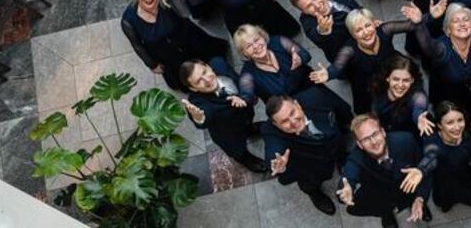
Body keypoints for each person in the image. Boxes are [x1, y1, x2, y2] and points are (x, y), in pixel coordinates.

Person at [121, 0, 228, 90]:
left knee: (212, 66)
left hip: (191, 41)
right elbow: (137, 45)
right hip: (169, 57)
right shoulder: (128, 20)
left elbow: (185, 14)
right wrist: (152, 64)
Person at [402, 0, 471, 109]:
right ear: (448, 29)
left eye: (466, 20)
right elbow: (428, 47)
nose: (462, 24)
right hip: (449, 99)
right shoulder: (442, 47)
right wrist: (419, 24)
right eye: (456, 21)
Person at [262, 87, 354, 216]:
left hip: (335, 142)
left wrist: (349, 121)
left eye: (292, 113)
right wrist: (277, 163)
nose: (293, 122)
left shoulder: (316, 95)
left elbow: (340, 106)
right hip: (309, 166)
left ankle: (342, 161)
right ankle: (315, 194)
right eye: (284, 121)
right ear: (276, 125)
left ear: (297, 104)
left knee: (341, 153)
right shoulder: (270, 130)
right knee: (310, 183)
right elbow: (273, 148)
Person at [309, 8, 414, 114]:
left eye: (368, 25)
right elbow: (337, 66)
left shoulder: (386, 30)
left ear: (374, 24)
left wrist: (417, 18)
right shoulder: (349, 50)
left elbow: (411, 25)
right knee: (365, 104)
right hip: (366, 79)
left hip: (391, 65)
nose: (366, 32)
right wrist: (328, 73)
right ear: (353, 35)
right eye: (358, 30)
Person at [338, 113, 432, 227]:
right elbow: (348, 178)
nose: (374, 142)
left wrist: (420, 197)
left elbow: (423, 169)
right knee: (384, 206)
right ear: (360, 144)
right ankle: (387, 215)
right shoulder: (356, 158)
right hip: (383, 196)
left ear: (383, 132)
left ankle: (418, 203)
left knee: (415, 196)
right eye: (366, 139)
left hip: (409, 188)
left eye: (375, 134)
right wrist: (346, 190)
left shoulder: (406, 141)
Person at [179, 58, 266, 172]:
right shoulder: (197, 103)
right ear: (193, 88)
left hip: (245, 114)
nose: (207, 80)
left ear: (208, 67)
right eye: (198, 81)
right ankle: (246, 159)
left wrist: (245, 97)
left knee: (248, 124)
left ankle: (250, 129)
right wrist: (200, 118)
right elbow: (204, 116)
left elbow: (238, 80)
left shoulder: (219, 64)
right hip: (229, 133)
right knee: (238, 150)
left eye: (204, 72)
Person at [421, 101, 471, 212]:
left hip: (464, 174)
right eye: (450, 122)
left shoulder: (466, 134)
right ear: (439, 125)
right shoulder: (432, 142)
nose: (457, 127)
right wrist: (420, 170)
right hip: (445, 179)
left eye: (460, 120)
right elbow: (430, 157)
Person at [234, 23, 312, 102]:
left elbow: (305, 55)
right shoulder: (248, 73)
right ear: (244, 53)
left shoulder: (278, 42)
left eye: (257, 40)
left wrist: (300, 59)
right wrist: (242, 100)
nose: (256, 46)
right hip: (289, 107)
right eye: (249, 46)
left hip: (313, 89)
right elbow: (246, 96)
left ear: (263, 37)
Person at [291, 0, 360, 63]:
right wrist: (323, 31)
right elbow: (316, 35)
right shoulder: (308, 23)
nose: (317, 6)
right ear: (304, 12)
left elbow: (347, 0)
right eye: (309, 6)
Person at [370, 54, 433, 139]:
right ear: (387, 78)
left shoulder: (417, 96)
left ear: (412, 80)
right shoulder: (379, 87)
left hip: (405, 135)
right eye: (396, 79)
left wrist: (419, 117)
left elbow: (419, 106)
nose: (400, 85)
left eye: (406, 80)